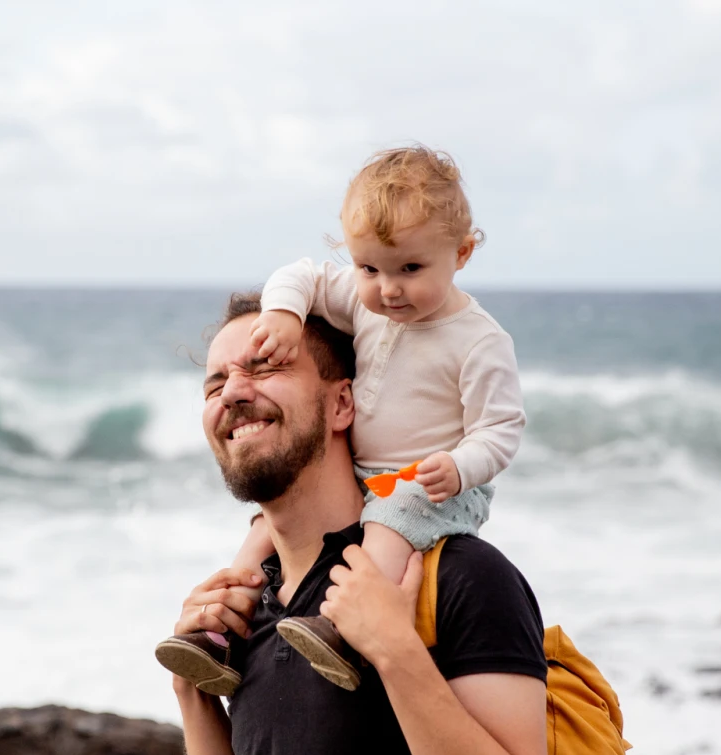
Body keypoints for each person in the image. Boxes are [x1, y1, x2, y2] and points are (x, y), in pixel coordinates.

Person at [160, 291, 549, 755]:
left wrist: (394, 650)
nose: (232, 392)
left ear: (343, 403)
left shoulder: (459, 576)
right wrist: (193, 695)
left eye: (266, 367)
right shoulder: (253, 609)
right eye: (215, 384)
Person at [157, 145, 525, 693]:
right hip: (368, 473)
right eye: (368, 268)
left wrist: (460, 466)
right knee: (265, 528)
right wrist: (283, 316)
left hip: (433, 484)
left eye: (410, 268)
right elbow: (299, 275)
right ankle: (222, 632)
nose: (388, 288)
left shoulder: (479, 341)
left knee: (390, 518)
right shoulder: (363, 301)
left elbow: (501, 427)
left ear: (462, 253)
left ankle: (344, 632)